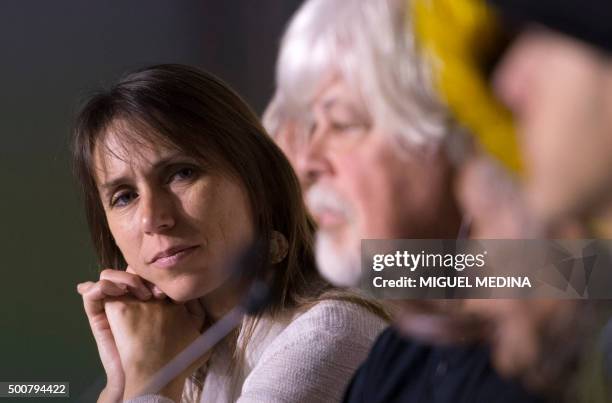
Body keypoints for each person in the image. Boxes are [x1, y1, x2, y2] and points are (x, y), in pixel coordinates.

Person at [265, 0, 545, 402]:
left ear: (456, 136)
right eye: (311, 125)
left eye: (342, 123)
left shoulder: (563, 333)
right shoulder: (399, 350)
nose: (306, 162)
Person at [73, 64, 388, 403]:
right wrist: (121, 380)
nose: (152, 218)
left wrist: (150, 380)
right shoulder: (181, 344)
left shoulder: (328, 331)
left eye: (181, 173)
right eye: (124, 196)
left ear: (258, 182)